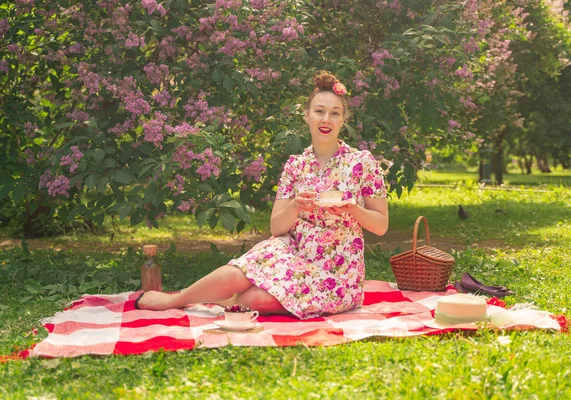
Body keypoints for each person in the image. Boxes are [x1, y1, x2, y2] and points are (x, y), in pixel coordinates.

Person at [136, 72, 389, 319]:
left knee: (255, 299)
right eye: (319, 111)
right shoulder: (295, 165)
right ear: (307, 116)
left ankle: (223, 299)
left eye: (335, 113)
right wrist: (294, 206)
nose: (326, 119)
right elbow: (276, 228)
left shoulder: (362, 162)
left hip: (338, 270)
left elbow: (380, 226)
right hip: (292, 251)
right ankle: (173, 300)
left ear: (343, 119)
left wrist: (352, 209)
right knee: (237, 274)